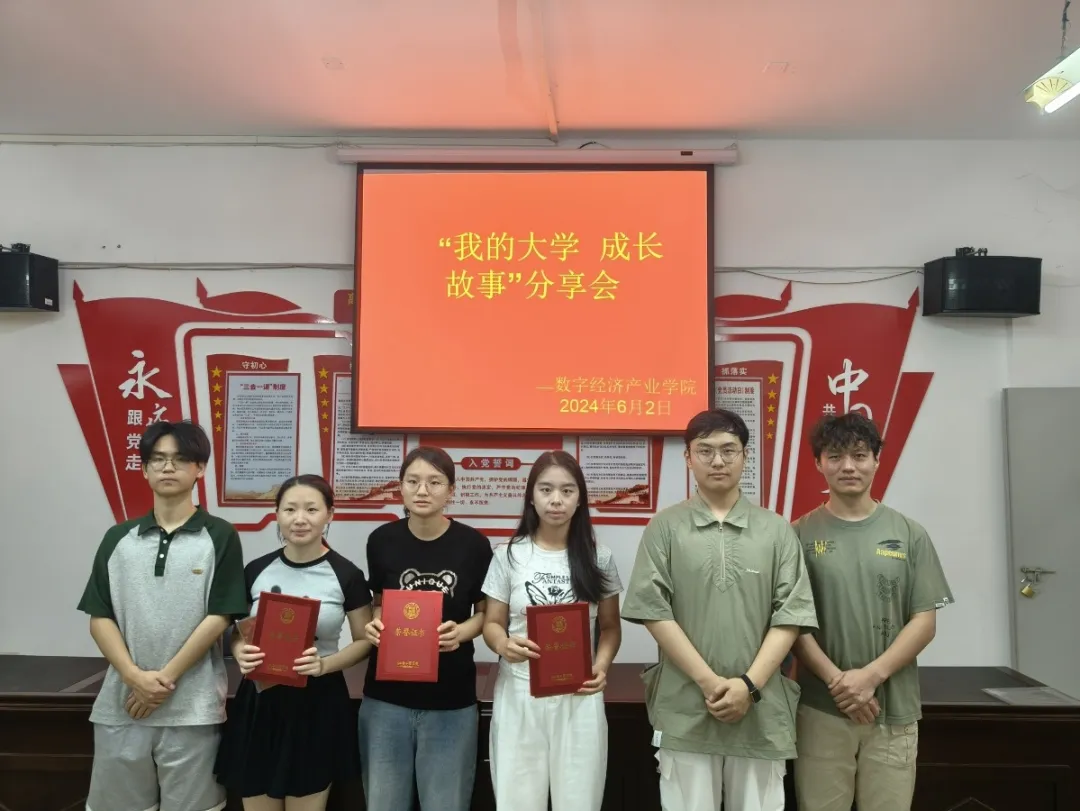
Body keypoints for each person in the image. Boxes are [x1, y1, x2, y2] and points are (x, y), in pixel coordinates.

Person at [621, 408, 819, 811]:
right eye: (705, 450)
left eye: (729, 450)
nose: (717, 460)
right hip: (686, 706)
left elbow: (790, 616)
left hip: (760, 710)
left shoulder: (776, 530)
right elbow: (654, 612)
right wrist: (710, 682)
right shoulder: (665, 528)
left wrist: (748, 686)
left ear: (745, 456)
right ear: (688, 458)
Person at [77, 419, 248, 811]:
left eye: (180, 458)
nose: (168, 467)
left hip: (192, 708)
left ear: (199, 468)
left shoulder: (220, 535)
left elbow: (220, 616)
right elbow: (99, 617)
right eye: (158, 459)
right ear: (144, 469)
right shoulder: (118, 538)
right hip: (122, 704)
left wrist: (163, 682)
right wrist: (134, 678)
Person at [791, 413, 954, 811]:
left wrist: (870, 677)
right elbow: (792, 625)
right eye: (835, 456)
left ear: (877, 460)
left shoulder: (909, 534)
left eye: (860, 455)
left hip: (892, 708)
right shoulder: (797, 535)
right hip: (822, 707)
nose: (848, 466)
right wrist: (841, 685)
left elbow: (924, 622)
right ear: (819, 463)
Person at [215, 474, 374, 811]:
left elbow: (365, 640)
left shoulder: (347, 575)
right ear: (277, 514)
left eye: (311, 509)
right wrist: (240, 652)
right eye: (290, 509)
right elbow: (238, 631)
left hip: (318, 702)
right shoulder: (256, 570)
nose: (300, 518)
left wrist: (324, 665)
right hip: (260, 702)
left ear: (330, 514)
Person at [481, 450, 623, 811]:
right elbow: (492, 623)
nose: (556, 500)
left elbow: (610, 627)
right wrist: (504, 644)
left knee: (579, 801)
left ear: (580, 499)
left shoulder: (599, 557)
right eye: (546, 490)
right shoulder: (508, 555)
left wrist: (601, 665)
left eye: (567, 490)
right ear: (532, 496)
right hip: (520, 691)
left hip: (579, 694)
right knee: (516, 802)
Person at [358, 446, 495, 811]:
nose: (422, 490)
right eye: (413, 481)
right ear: (400, 487)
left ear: (451, 491)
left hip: (451, 700)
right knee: (383, 803)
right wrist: (374, 623)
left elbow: (486, 613)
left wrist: (461, 632)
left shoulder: (474, 545)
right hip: (386, 698)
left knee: (445, 804)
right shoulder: (381, 540)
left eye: (434, 482)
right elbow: (379, 602)